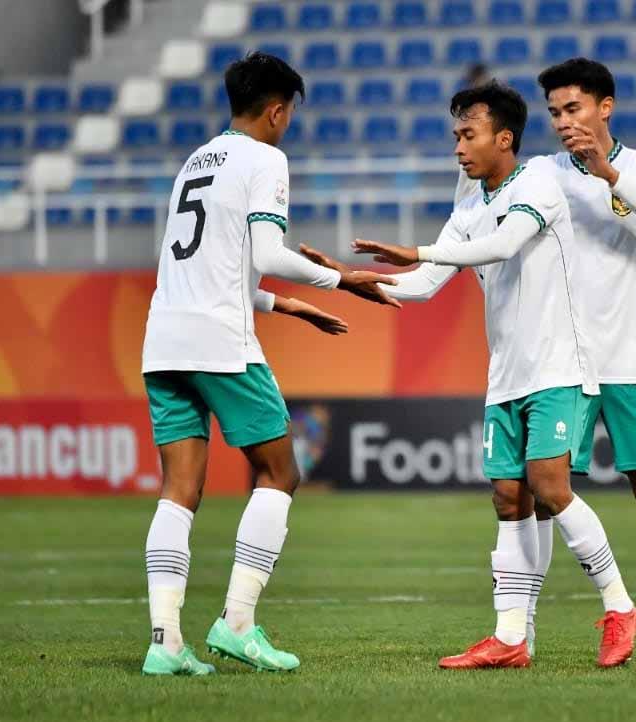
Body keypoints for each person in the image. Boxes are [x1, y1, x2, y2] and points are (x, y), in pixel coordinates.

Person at [309, 81, 636, 669]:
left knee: (549, 487)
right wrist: (346, 280)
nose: (459, 148)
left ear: (504, 138)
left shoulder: (537, 182)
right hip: (506, 374)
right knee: (509, 498)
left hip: (558, 366)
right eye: (456, 136)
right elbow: (423, 285)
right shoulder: (467, 206)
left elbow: (504, 245)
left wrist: (420, 250)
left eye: (469, 135)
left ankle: (620, 606)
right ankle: (510, 637)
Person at [138, 51, 399, 676]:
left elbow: (207, 270)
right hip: (219, 343)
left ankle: (165, 644)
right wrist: (342, 278)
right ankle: (237, 624)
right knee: (280, 472)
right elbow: (268, 253)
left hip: (163, 340)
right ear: (277, 111)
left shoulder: (195, 162)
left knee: (179, 491)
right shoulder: (265, 159)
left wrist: (288, 306)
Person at [481, 57, 636, 661]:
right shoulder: (541, 174)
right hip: (563, 364)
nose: (563, 121)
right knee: (539, 496)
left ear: (605, 107)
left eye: (574, 108)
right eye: (555, 112)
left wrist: (608, 173)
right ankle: (520, 633)